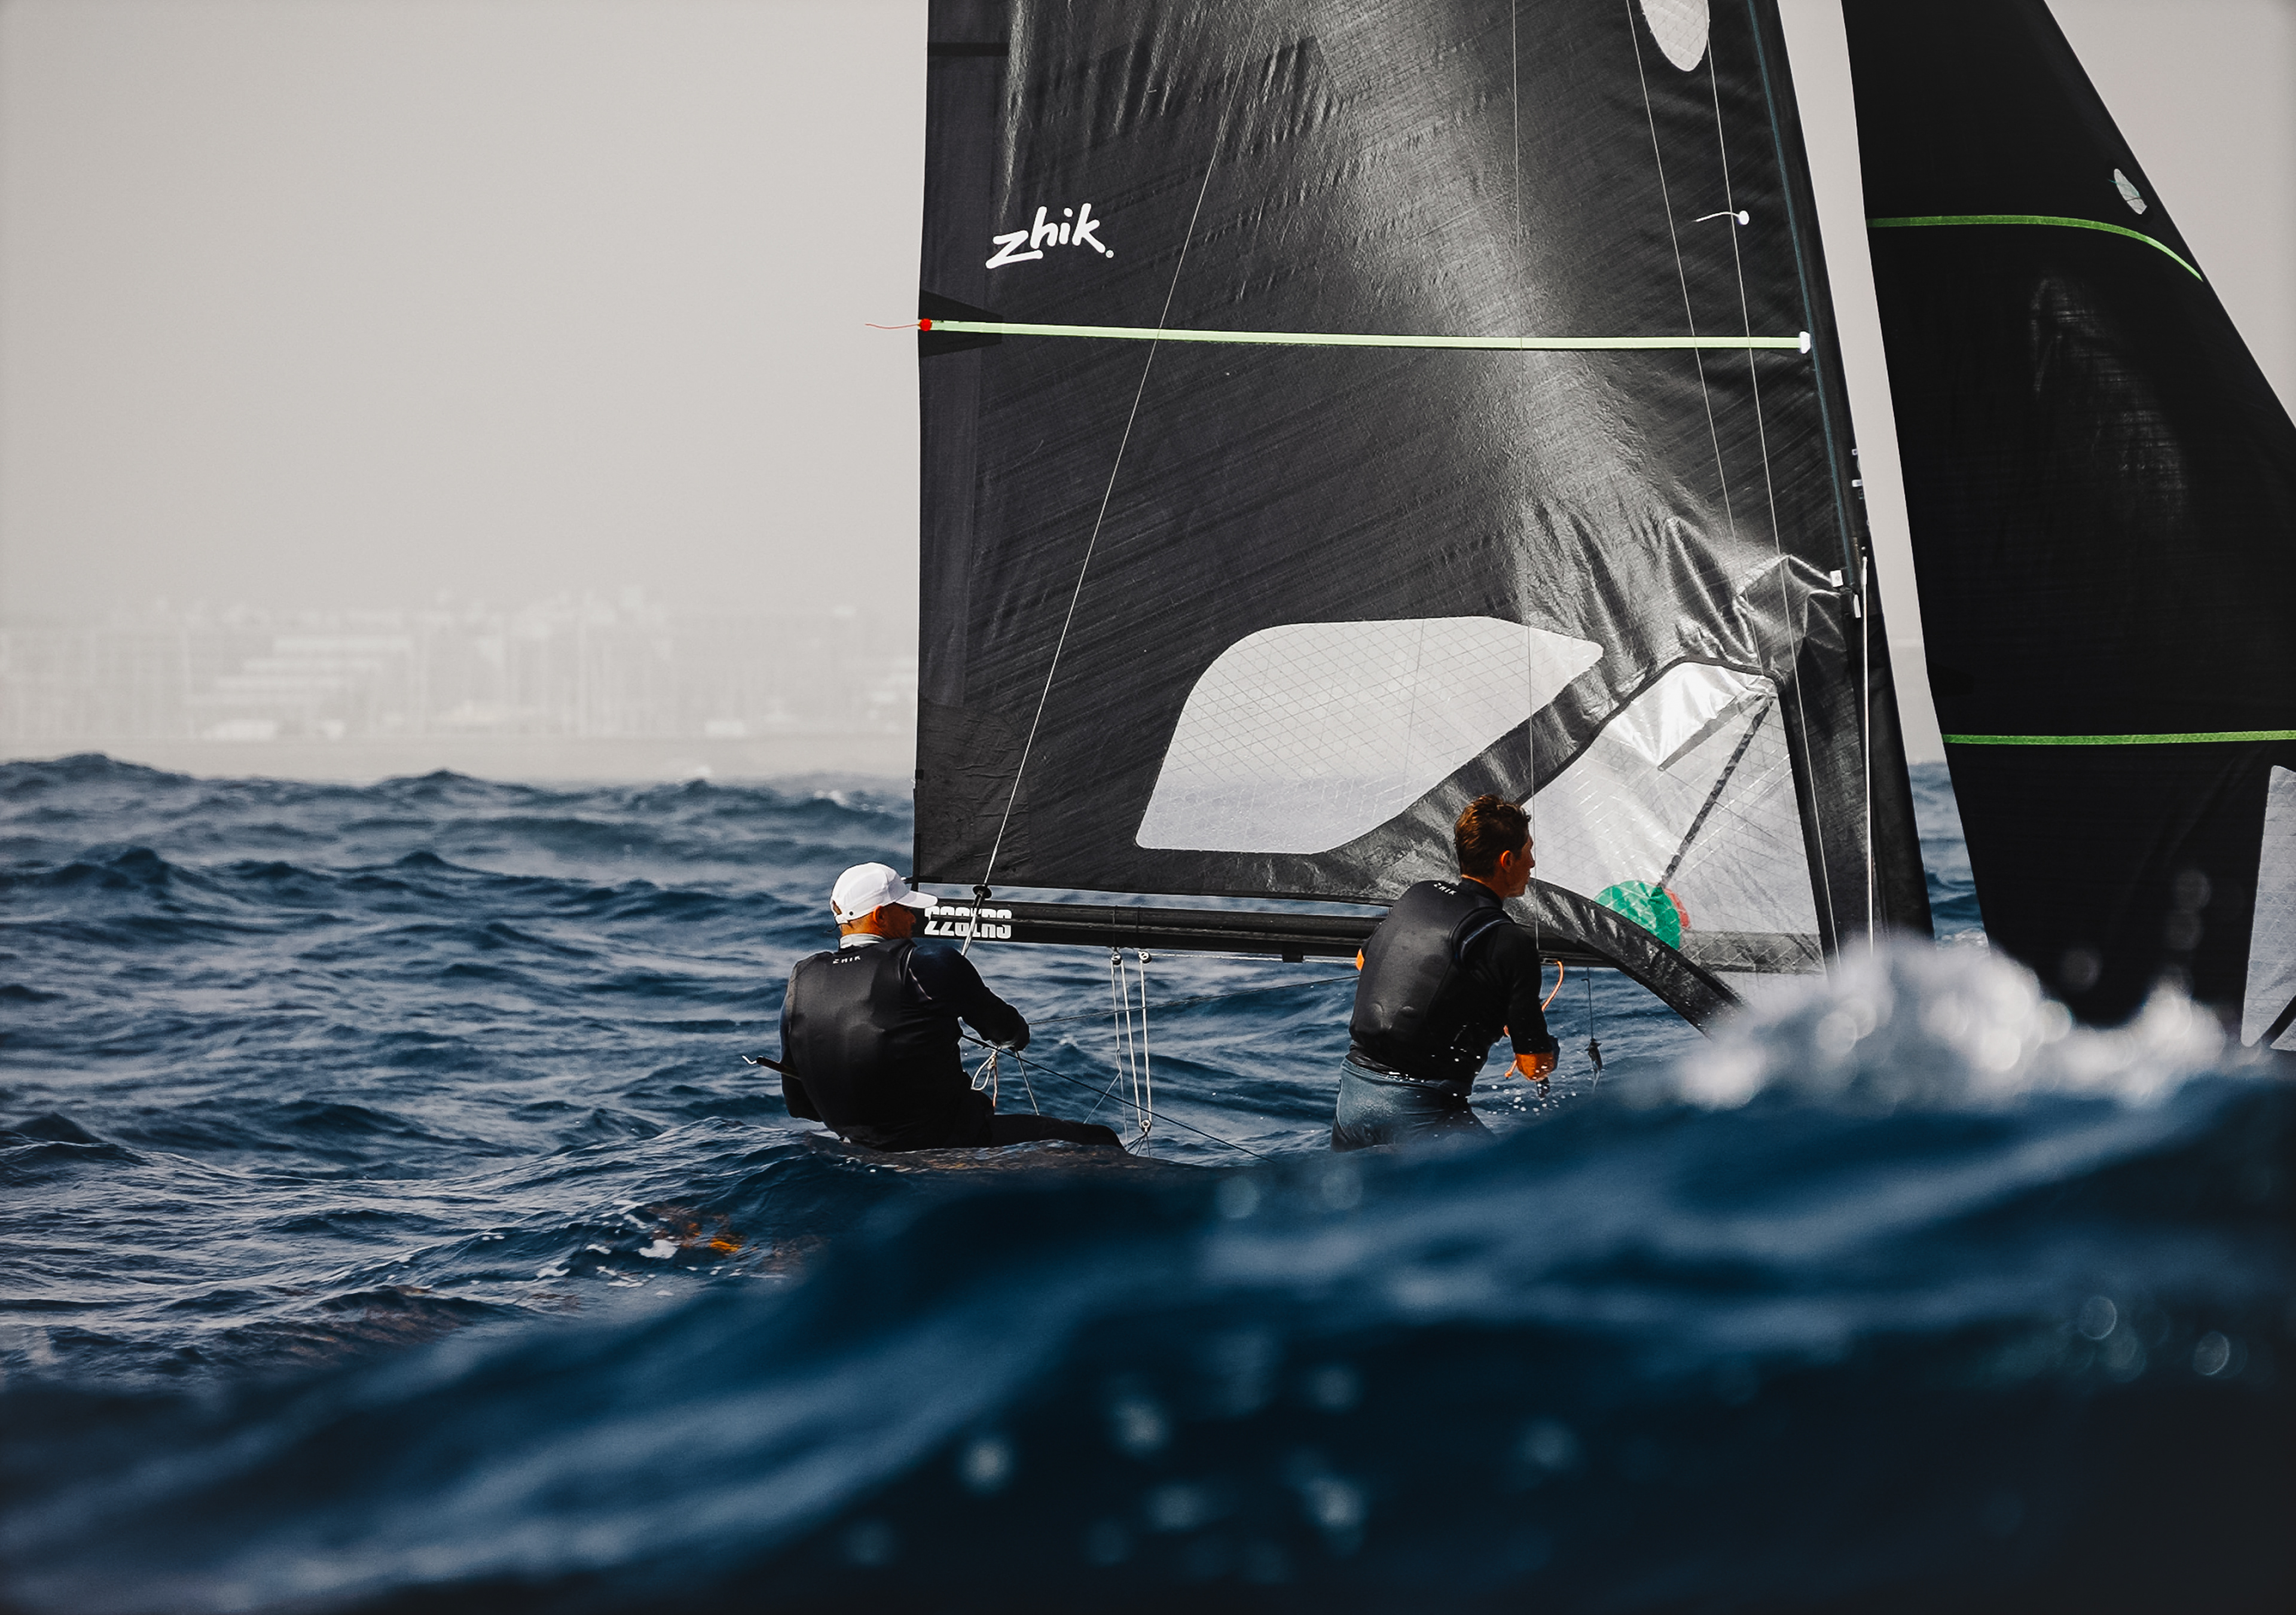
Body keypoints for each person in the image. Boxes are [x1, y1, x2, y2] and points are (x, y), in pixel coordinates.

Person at [778, 862, 1123, 1152]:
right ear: (881, 916)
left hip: (855, 1150)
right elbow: (1009, 1032)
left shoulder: (801, 979)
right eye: (906, 910)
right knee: (1102, 1140)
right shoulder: (926, 964)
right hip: (947, 1144)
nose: (914, 920)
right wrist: (1013, 1037)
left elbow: (800, 1105)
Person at [1333, 795, 1560, 1150]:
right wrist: (1547, 1048)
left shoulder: (1418, 895)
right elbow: (1534, 1066)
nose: (1532, 863)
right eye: (1528, 852)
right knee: (1516, 1183)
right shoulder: (1511, 942)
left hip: (1352, 1102)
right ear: (1506, 861)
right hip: (1420, 1111)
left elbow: (1364, 961)